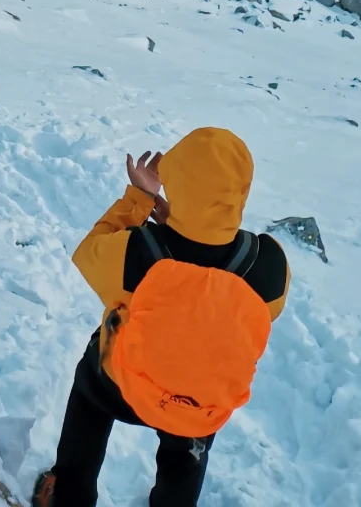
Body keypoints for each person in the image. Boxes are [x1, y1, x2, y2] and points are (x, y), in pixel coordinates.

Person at [31, 128, 290, 507]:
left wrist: (140, 197)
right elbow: (249, 307)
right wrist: (186, 227)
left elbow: (88, 252)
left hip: (123, 390)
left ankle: (69, 495)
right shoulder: (269, 264)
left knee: (89, 387)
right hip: (200, 404)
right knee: (186, 451)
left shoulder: (137, 252)